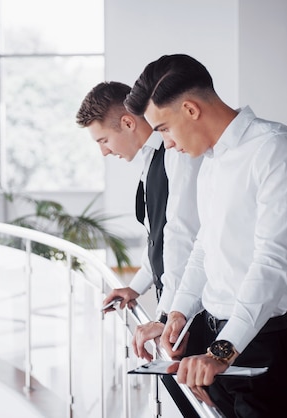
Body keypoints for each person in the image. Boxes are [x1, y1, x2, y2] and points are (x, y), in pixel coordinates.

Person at [125, 54, 287, 418]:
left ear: (190, 109)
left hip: (267, 347)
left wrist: (222, 351)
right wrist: (180, 312)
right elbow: (204, 248)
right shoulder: (211, 163)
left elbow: (273, 263)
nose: (166, 143)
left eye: (164, 128)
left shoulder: (278, 150)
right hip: (215, 345)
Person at [75, 81, 202, 361]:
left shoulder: (176, 155)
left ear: (127, 123)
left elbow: (184, 237)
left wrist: (168, 314)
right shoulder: (150, 161)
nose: (104, 152)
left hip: (193, 310)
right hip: (175, 307)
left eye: (103, 140)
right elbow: (157, 238)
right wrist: (136, 286)